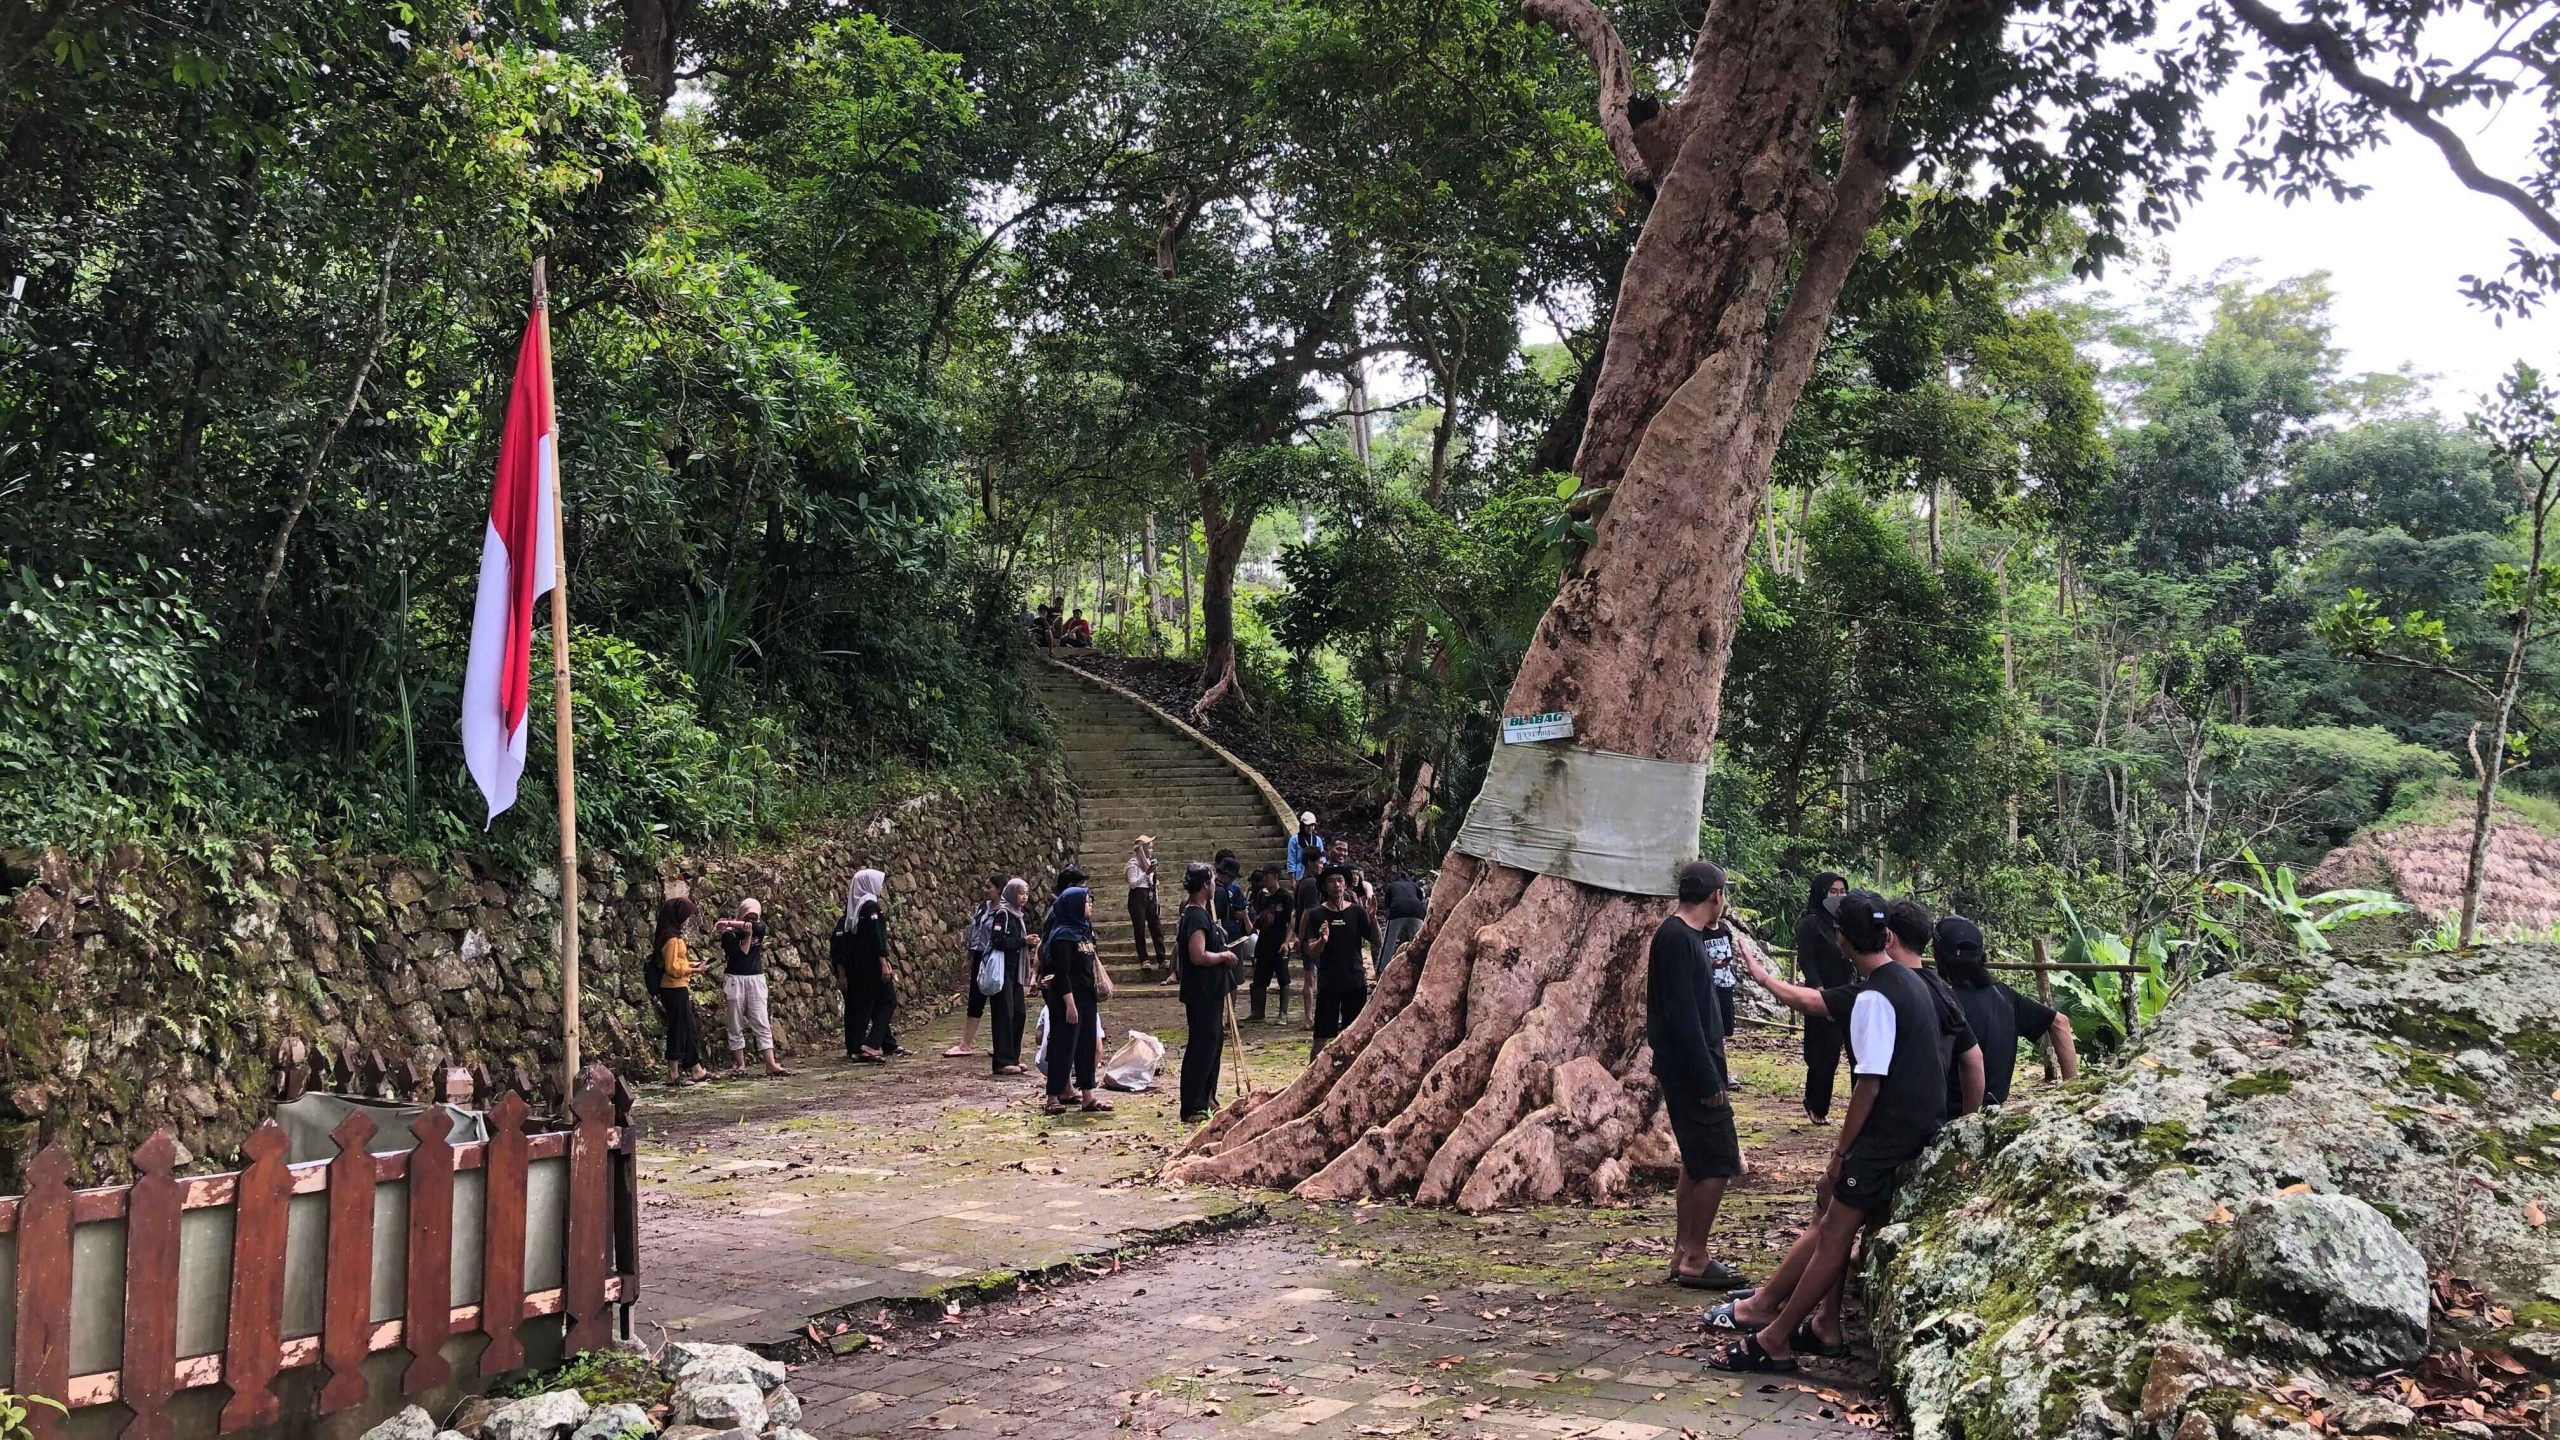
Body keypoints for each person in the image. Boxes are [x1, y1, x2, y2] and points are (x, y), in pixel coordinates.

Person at [1710, 891, 1950, 1372]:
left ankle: (1774, 1339)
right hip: (1920, 1121)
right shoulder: (1912, 980)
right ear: (1886, 937)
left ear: (1841, 940)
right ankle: (1810, 1323)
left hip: (1888, 1135)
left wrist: (1841, 1154)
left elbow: (1869, 1083)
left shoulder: (1873, 998)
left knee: (1834, 1235)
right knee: (1827, 1220)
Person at [1649, 861, 1747, 1289]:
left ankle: (1684, 1250)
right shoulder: (1677, 939)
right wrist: (1708, 1081)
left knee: (1696, 1158)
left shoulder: (1685, 937)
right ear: (1715, 896)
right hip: (1693, 1071)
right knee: (1719, 1162)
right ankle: (1696, 1255)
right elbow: (1682, 1017)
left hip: (1695, 1065)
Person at [1934, 915, 2077, 1104]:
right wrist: (2073, 1093)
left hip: (1954, 1116)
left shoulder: (1943, 1001)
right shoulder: (2005, 995)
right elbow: (2060, 1023)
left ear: (1938, 957)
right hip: (1995, 1111)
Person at [1882, 898, 1986, 1117]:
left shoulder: (1882, 990)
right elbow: (1974, 1057)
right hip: (1933, 1114)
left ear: (1887, 937)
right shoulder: (1943, 991)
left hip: (1892, 1122)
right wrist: (1969, 1121)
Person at [1175, 862, 1243, 1122]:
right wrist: (1223, 956)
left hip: (1211, 990)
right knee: (1202, 1045)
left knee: (1213, 1042)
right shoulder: (1195, 916)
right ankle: (1192, 1105)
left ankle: (1207, 1097)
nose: (1215, 885)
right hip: (1201, 992)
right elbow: (1198, 955)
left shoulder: (1203, 913)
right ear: (1205, 885)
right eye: (1212, 881)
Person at [1038, 886, 1113, 1114]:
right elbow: (1062, 973)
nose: (1090, 906)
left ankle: (1088, 1095)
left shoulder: (1084, 931)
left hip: (1087, 997)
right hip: (1066, 999)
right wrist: (1069, 1004)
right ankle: (1053, 1097)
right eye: (1086, 902)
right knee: (1063, 1046)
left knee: (1087, 1045)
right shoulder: (1062, 936)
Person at [1794, 873, 1853, 1122]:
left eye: (1843, 891)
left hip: (1850, 993)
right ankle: (1816, 1105)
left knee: (1856, 1053)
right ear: (1821, 893)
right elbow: (1807, 961)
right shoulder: (1809, 924)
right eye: (1833, 891)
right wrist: (1819, 992)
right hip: (1822, 994)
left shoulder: (1848, 922)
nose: (1839, 897)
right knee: (1823, 1054)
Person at [1306, 867, 1381, 1056]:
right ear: (1324, 886)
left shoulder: (1357, 912)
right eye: (1331, 881)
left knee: (1354, 1035)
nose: (1336, 885)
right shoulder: (1316, 914)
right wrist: (1322, 941)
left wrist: (1372, 918)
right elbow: (1311, 951)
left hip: (1355, 982)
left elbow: (1376, 941)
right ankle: (1312, 1079)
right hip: (1329, 983)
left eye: (1340, 880)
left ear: (1345, 885)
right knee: (1321, 1037)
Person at [713, 897, 788, 1077]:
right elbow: (741, 955)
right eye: (747, 917)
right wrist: (745, 936)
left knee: (761, 1020)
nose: (750, 922)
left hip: (755, 977)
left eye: (754, 917)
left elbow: (756, 928)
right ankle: (740, 1063)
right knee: (735, 1022)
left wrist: (729, 923)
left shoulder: (759, 928)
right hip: (735, 978)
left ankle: (770, 1063)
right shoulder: (729, 935)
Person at [832, 869, 894, 1062]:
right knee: (887, 1001)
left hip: (857, 967)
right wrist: (883, 961)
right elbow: (876, 936)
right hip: (872, 965)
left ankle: (858, 1046)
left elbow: (841, 942)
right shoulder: (870, 907)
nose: (881, 887)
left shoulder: (853, 910)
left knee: (862, 1005)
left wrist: (842, 970)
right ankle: (871, 1043)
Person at [651, 897, 707, 1085]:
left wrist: (692, 964)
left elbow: (676, 962)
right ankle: (673, 1072)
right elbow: (672, 968)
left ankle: (695, 1067)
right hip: (674, 988)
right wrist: (694, 970)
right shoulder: (672, 939)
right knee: (678, 1028)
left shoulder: (668, 934)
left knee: (687, 1028)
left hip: (677, 987)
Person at [947, 875, 1005, 1057]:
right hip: (979, 955)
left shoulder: (1004, 911)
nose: (985, 890)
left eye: (989, 887)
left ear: (999, 890)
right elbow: (975, 931)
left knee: (999, 1001)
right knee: (975, 999)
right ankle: (965, 1044)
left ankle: (1001, 1044)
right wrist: (970, 955)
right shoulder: (982, 908)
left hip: (995, 957)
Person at [988, 878, 1033, 1076]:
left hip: (1015, 972)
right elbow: (998, 941)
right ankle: (1002, 1060)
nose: (1023, 897)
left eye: (1026, 894)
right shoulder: (1003, 914)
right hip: (1002, 971)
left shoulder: (1019, 916)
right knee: (1004, 1014)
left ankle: (1013, 1056)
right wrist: (1023, 941)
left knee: (1018, 1013)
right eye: (1020, 893)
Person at [1248, 866, 1297, 1022]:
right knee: (1259, 978)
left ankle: (1283, 1013)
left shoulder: (1285, 897)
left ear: (1275, 877)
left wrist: (1286, 942)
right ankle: (1258, 1012)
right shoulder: (1262, 897)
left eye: (1267, 876)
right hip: (1264, 941)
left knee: (1283, 977)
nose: (1264, 880)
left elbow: (1291, 922)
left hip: (1279, 941)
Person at [1125, 838, 1166, 976]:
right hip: (1138, 896)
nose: (1151, 851)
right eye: (1148, 848)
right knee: (1140, 928)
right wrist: (1146, 874)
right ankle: (1144, 959)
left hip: (1149, 895)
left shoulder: (1149, 863)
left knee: (1156, 926)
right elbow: (1132, 884)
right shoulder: (1132, 865)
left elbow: (1153, 880)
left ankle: (1161, 958)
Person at [1378, 871, 1427, 969]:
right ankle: (1422, 966)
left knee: (1389, 942)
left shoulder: (1391, 886)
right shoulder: (1414, 885)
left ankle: (1381, 969)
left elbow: (1387, 904)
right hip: (1416, 911)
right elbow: (1421, 898)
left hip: (1397, 910)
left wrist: (1389, 917)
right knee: (1418, 941)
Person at [1287, 812, 1326, 880]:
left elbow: (1322, 859)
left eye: (1312, 825)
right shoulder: (1294, 840)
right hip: (1300, 874)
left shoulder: (1318, 840)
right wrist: (1292, 879)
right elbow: (1291, 860)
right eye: (1308, 825)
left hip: (1315, 873)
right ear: (1302, 825)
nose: (1310, 828)